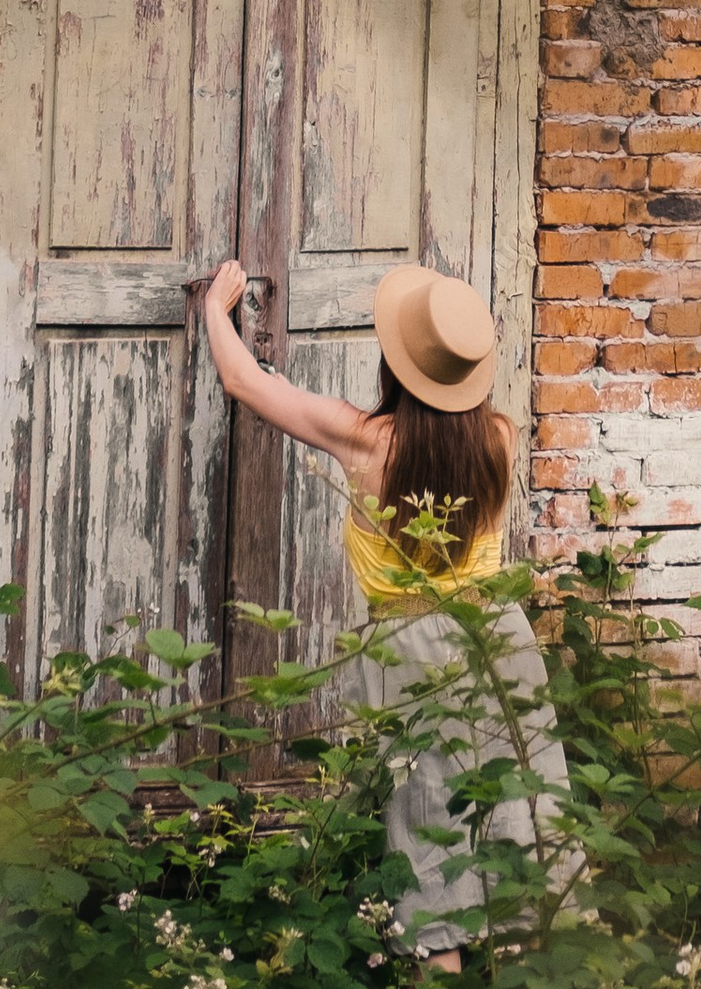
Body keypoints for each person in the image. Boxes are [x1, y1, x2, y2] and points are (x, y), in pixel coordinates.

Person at [200, 256, 576, 969]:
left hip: (410, 650)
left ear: (400, 365)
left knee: (425, 821)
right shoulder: (500, 437)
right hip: (500, 637)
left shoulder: (366, 440)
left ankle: (436, 968)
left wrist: (219, 308)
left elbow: (244, 380)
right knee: (522, 816)